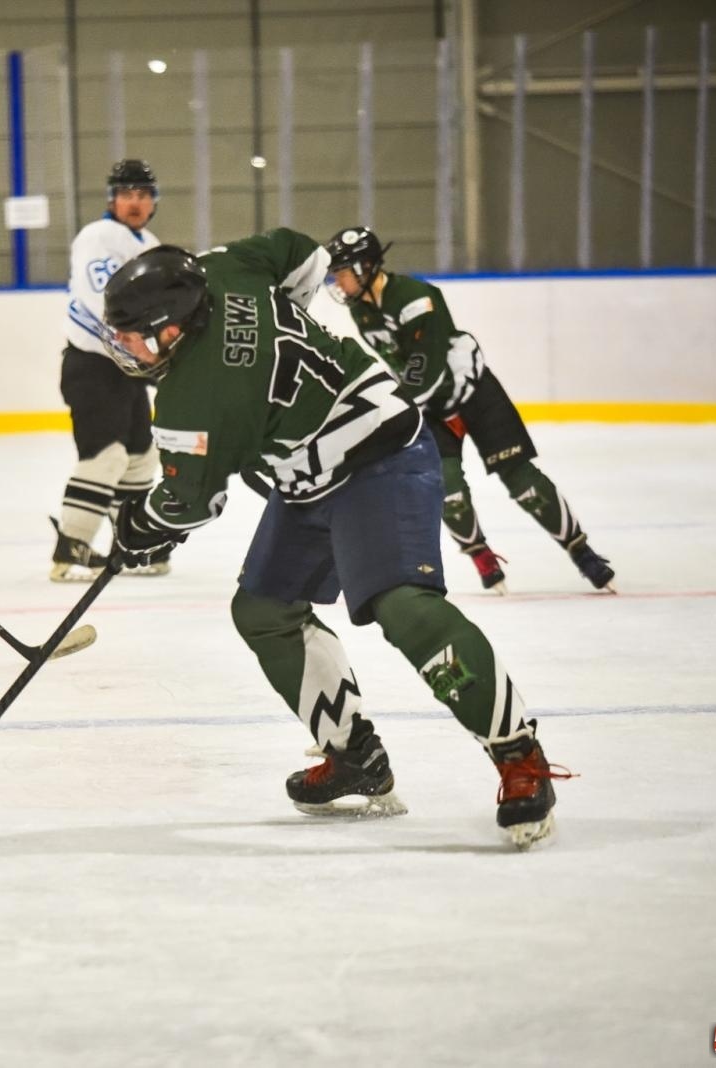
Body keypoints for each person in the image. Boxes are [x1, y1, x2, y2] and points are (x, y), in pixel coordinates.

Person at [100, 234, 571, 849]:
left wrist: (142, 526)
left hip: (382, 457)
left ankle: (521, 759)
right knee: (264, 612)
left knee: (403, 605)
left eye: (133, 336)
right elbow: (303, 256)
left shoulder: (194, 398)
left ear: (172, 328)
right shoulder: (221, 267)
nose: (125, 349)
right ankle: (356, 759)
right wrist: (274, 350)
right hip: (312, 471)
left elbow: (192, 504)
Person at [324, 227, 615, 593]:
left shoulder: (416, 298)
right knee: (446, 488)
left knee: (521, 479)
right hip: (430, 404)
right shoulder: (362, 312)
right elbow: (400, 367)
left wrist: (392, 409)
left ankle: (582, 552)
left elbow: (425, 368)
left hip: (472, 391)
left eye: (343, 272)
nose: (338, 282)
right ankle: (481, 556)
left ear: (365, 268)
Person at [49, 159, 171, 582]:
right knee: (105, 457)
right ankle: (70, 552)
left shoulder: (148, 241)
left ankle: (130, 546)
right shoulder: (99, 236)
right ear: (112, 198)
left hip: (126, 369)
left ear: (153, 201)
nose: (135, 202)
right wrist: (139, 341)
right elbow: (98, 293)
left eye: (142, 194)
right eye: (127, 193)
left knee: (140, 456)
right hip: (92, 365)